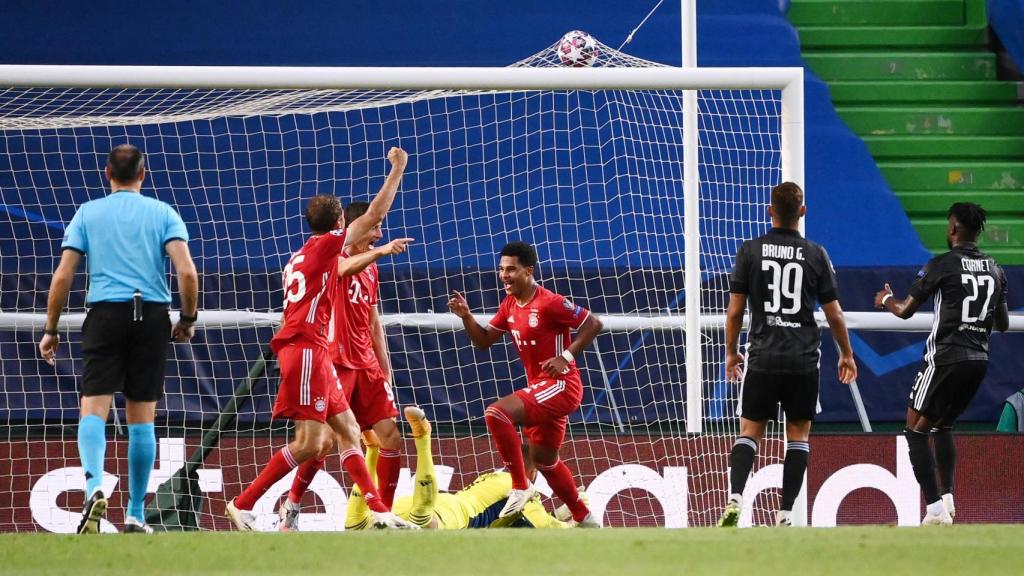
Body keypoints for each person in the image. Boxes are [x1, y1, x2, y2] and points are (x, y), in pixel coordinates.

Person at [226, 147, 416, 531]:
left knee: (348, 433)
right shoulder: (328, 247)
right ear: (341, 223)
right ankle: (245, 502)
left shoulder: (299, 257)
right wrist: (398, 169)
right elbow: (375, 215)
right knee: (312, 444)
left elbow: (346, 267)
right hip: (311, 350)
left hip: (314, 353)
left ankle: (380, 511)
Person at [38, 144, 199, 534]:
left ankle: (95, 487)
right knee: (142, 417)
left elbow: (63, 276)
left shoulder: (88, 213)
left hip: (105, 313)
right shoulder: (163, 213)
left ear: (106, 172)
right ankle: (135, 514)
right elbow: (188, 273)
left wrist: (51, 329)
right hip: (151, 315)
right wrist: (188, 318)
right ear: (143, 174)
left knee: (93, 407)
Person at [719, 181, 857, 528]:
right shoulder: (816, 254)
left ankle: (736, 497)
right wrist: (847, 354)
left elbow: (735, 312)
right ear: (803, 212)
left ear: (770, 211)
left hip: (763, 356)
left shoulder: (749, 251)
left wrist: (732, 352)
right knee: (798, 434)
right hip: (803, 358)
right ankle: (785, 515)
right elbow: (835, 314)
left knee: (749, 430)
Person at [448, 241, 603, 527]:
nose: (504, 275)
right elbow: (483, 342)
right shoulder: (508, 305)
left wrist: (565, 357)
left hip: (562, 385)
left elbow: (593, 323)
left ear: (528, 271)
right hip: (540, 389)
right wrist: (466, 316)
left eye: (511, 270)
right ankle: (585, 517)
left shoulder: (550, 302)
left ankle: (520, 486)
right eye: (501, 270)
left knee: (496, 413)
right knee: (545, 461)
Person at [874, 202, 1009, 525]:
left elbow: (906, 309)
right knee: (943, 424)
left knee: (914, 431)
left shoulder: (942, 265)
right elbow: (1002, 323)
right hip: (978, 359)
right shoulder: (995, 269)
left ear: (954, 229)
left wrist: (885, 301)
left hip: (945, 357)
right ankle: (947, 498)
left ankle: (934, 509)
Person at [278, 201, 406, 531]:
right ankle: (292, 503)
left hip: (366, 365)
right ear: (355, 228)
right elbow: (342, 270)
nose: (379, 232)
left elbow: (373, 321)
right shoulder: (332, 259)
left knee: (391, 437)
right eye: (375, 227)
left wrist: (385, 367)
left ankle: (384, 515)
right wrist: (382, 251)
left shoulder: (372, 270)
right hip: (335, 361)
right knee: (323, 443)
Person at [343, 406, 572, 530]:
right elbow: (547, 526)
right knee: (423, 523)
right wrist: (574, 517)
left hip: (408, 503)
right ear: (533, 473)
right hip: (452, 513)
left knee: (356, 526)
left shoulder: (492, 477)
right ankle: (422, 439)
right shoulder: (523, 491)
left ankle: (372, 448)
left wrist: (559, 512)